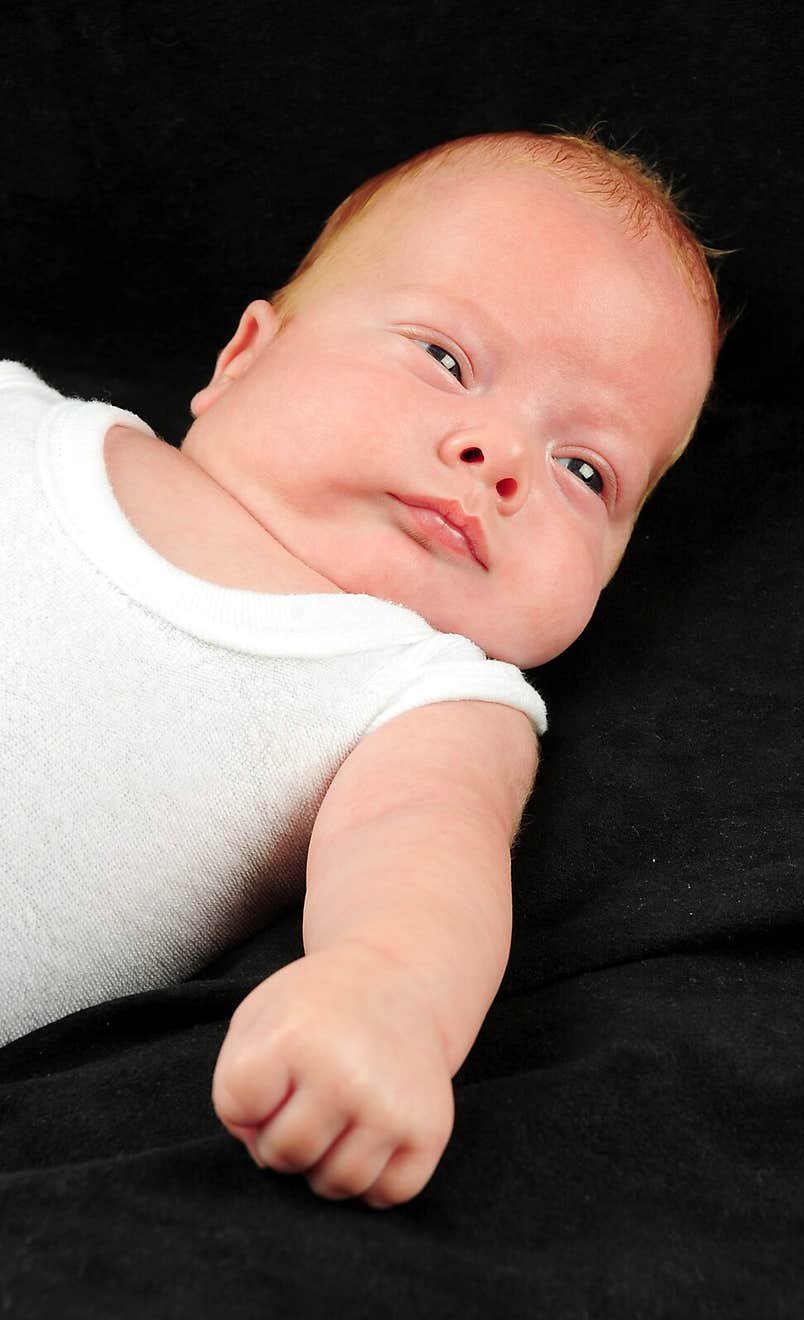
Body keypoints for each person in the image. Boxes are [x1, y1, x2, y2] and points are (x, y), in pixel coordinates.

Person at [1, 128, 723, 1208]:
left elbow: (422, 867)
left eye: (585, 470)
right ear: (245, 357)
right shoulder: (24, 416)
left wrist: (382, 1002)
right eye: (446, 359)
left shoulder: (427, 694)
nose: (502, 458)